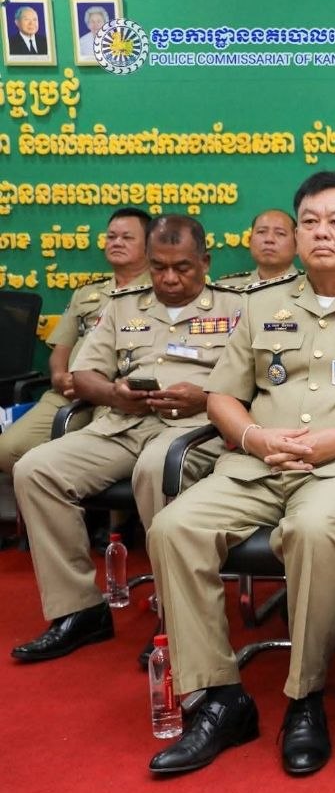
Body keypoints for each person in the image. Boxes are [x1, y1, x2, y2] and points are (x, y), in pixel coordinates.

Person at [144, 172, 335, 777]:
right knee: (173, 528)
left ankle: (305, 698)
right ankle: (220, 698)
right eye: (310, 222)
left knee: (312, 530)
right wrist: (255, 436)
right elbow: (222, 396)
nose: (322, 232)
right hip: (259, 462)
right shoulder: (260, 304)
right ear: (297, 234)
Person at [9, 215, 239, 663]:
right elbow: (83, 373)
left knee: (156, 469)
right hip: (122, 423)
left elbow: (261, 381)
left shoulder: (237, 307)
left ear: (205, 262)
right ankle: (79, 610)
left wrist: (206, 397)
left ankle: (177, 616)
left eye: (182, 267)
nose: (168, 279)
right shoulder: (123, 304)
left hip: (193, 427)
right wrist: (115, 393)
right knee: (34, 469)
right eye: (158, 267)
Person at [0, 208, 152, 475]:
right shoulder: (86, 293)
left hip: (120, 396)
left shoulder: (162, 293)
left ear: (149, 246)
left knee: (94, 459)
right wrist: (60, 376)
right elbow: (62, 348)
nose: (116, 243)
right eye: (111, 237)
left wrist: (107, 388)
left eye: (127, 237)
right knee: (7, 451)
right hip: (69, 392)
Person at [216, 209, 298, 290]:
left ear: (297, 245)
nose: (269, 239)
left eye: (280, 233)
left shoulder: (305, 287)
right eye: (261, 232)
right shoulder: (225, 290)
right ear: (249, 241)